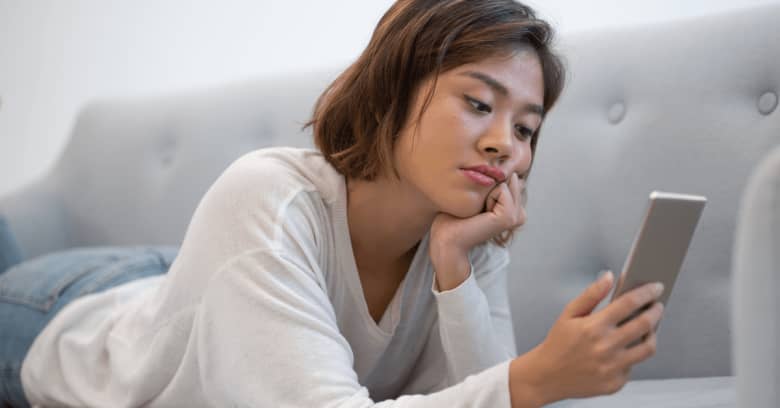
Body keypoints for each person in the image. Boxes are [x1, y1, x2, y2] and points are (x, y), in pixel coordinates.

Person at [0, 0, 666, 406]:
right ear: (395, 87)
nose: (505, 147)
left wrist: (455, 271)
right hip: (67, 316)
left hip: (209, 287)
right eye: (478, 103)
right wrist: (535, 380)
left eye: (526, 128)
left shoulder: (465, 229)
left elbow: (475, 394)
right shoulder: (265, 195)